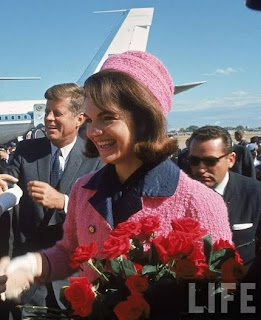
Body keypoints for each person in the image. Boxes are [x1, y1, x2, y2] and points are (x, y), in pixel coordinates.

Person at [3, 51, 233, 318]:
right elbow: (70, 253)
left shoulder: (200, 202)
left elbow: (224, 294)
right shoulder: (83, 190)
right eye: (89, 120)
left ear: (145, 118)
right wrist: (26, 268)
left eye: (107, 118)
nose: (92, 131)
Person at [0, 83, 103, 318]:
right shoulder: (27, 150)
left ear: (79, 118)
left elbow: (102, 214)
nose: (48, 118)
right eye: (47, 111)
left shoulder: (96, 158)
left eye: (57, 113)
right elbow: (14, 189)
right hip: (29, 280)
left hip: (75, 281)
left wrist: (65, 203)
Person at [188, 125, 261, 268]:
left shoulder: (255, 193)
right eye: (194, 161)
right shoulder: (179, 195)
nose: (201, 169)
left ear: (231, 159)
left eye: (210, 161)